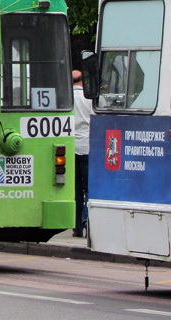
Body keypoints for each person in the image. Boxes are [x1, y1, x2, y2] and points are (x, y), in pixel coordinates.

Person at [73, 68, 92, 237]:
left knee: (76, 189)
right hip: (87, 146)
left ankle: (77, 226)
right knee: (89, 188)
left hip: (71, 147)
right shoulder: (89, 98)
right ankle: (86, 218)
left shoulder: (66, 98)